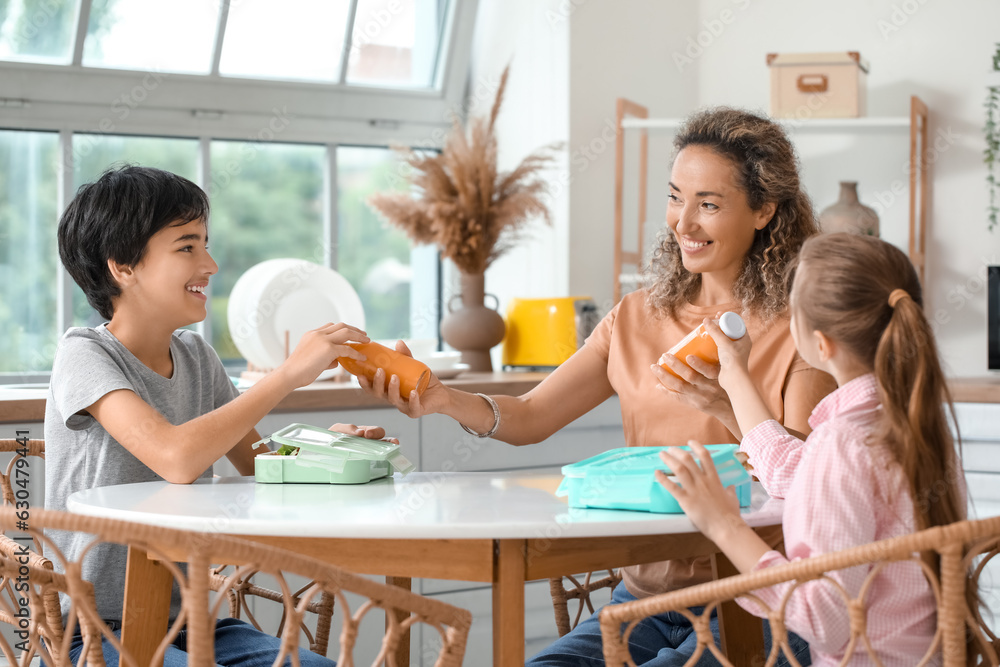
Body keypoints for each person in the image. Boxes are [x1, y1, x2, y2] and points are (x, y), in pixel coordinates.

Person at [360, 107, 838, 665]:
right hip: (644, 602)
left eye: (708, 204)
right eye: (675, 197)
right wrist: (442, 400)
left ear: (764, 210)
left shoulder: (803, 326)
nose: (683, 223)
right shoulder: (635, 317)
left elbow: (808, 486)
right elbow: (534, 415)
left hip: (761, 600)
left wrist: (726, 404)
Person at [45, 165, 385, 667]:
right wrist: (288, 373)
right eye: (187, 247)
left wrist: (324, 450)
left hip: (192, 623)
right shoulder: (84, 356)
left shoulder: (197, 359)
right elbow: (176, 458)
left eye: (205, 244)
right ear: (122, 267)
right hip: (94, 635)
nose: (210, 263)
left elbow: (261, 463)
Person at [657, 233, 973, 666]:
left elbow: (825, 622)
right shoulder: (912, 422)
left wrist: (724, 525)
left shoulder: (841, 442)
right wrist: (734, 378)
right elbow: (797, 471)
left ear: (821, 345)